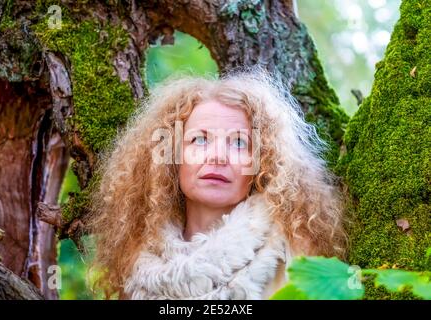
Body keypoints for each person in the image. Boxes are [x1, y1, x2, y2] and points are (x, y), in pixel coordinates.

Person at [87, 66, 347, 299]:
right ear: (171, 158)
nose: (218, 156)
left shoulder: (294, 257)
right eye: (200, 140)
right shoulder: (134, 264)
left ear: (263, 161)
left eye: (238, 143)